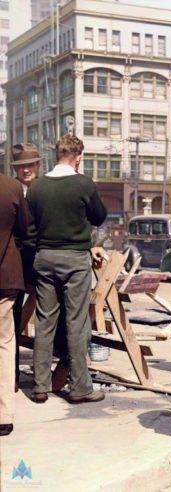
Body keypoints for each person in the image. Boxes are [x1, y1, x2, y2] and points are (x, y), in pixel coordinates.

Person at [28, 134, 108, 405]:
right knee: (76, 322)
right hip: (74, 259)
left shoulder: (37, 187)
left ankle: (40, 387)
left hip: (44, 257)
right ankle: (80, 388)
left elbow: (29, 228)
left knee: (44, 321)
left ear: (56, 155)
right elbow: (99, 216)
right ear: (78, 157)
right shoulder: (82, 183)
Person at [10, 143, 41, 392]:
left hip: (41, 263)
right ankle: (12, 376)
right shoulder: (10, 189)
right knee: (13, 320)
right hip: (16, 264)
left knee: (50, 318)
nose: (26, 170)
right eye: (21, 167)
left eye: (30, 165)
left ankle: (45, 377)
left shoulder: (44, 190)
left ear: (38, 166)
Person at [0, 173, 28, 436]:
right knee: (5, 343)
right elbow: (23, 228)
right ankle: (4, 414)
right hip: (6, 275)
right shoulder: (12, 187)